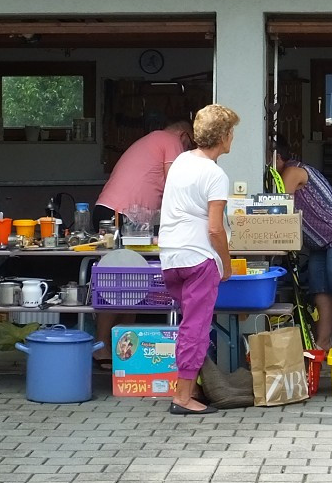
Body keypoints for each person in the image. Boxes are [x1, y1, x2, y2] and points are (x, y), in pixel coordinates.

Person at [158, 104, 240, 415]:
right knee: (197, 327)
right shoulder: (215, 174)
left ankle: (191, 387)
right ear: (224, 137)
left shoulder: (181, 161)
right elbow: (215, 229)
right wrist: (226, 263)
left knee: (188, 325)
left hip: (171, 256)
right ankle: (182, 398)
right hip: (198, 258)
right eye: (232, 133)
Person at [91, 119, 193, 364]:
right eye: (190, 144)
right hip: (120, 215)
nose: (188, 150)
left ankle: (122, 351)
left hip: (113, 212)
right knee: (118, 284)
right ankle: (102, 346)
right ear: (184, 135)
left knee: (133, 284)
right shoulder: (170, 140)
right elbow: (175, 184)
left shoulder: (150, 141)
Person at [274, 138, 332, 350]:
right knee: (320, 290)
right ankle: (322, 344)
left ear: (278, 158)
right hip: (319, 241)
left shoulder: (292, 172)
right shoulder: (283, 174)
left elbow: (279, 206)